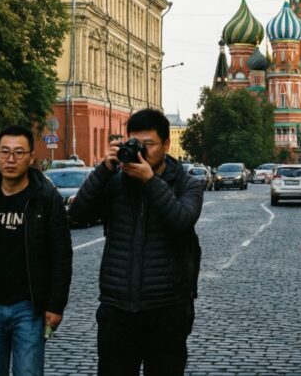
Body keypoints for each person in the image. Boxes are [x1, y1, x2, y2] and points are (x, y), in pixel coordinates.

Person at [68, 109, 203, 376]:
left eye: (149, 145)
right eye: (135, 144)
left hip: (168, 308)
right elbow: (77, 215)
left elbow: (181, 221)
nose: (142, 151)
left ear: (165, 145)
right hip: (117, 309)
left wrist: (151, 182)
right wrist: (103, 171)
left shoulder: (187, 185)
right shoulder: (115, 182)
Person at [0, 125, 73, 376]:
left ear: (31, 157)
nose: (11, 159)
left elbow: (61, 255)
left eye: (19, 153)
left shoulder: (46, 198)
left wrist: (56, 305)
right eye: (5, 152)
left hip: (29, 307)